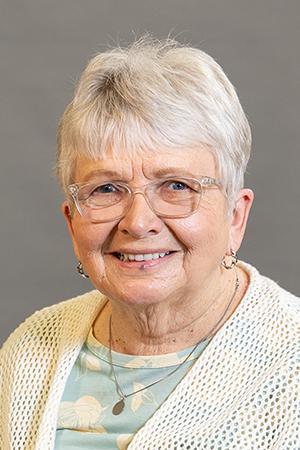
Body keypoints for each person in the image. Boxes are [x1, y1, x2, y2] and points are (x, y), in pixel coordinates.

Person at [0, 37, 299, 450]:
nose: (138, 223)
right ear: (72, 221)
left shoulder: (292, 360)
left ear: (235, 216)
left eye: (177, 185)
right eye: (106, 189)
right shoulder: (30, 351)